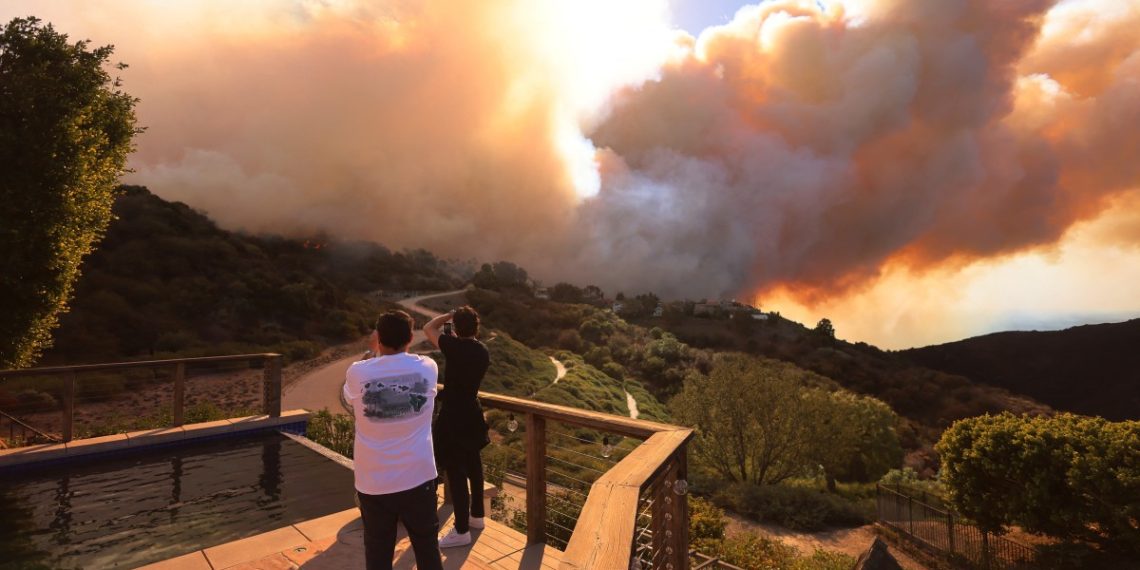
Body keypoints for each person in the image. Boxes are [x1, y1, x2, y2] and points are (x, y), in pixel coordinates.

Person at [343, 310, 444, 570]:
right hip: (418, 476)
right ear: (411, 337)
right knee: (427, 548)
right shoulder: (427, 368)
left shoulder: (358, 372)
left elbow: (348, 398)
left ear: (378, 338)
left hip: (373, 481)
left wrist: (370, 352)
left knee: (378, 551)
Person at [424, 305, 491, 548]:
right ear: (476, 327)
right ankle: (477, 517)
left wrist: (447, 316)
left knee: (455, 470)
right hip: (472, 413)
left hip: (453, 415)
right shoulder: (483, 351)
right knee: (474, 465)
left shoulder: (453, 347)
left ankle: (461, 530)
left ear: (457, 326)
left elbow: (427, 328)